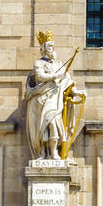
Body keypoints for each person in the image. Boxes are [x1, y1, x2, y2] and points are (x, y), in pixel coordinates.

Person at [24, 31, 82, 160]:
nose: (52, 49)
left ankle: (54, 152)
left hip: (55, 100)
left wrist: (76, 91)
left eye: (53, 46)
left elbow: (67, 80)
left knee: (54, 124)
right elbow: (40, 76)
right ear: (44, 49)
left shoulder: (58, 64)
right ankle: (44, 153)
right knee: (44, 127)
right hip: (42, 99)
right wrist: (55, 76)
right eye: (50, 47)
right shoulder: (38, 63)